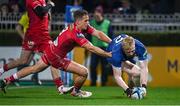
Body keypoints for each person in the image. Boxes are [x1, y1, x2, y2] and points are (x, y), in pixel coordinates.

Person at [0, 9, 112, 98]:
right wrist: (108, 54)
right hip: (56, 57)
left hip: (50, 50)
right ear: (78, 22)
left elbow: (98, 33)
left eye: (88, 20)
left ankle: (7, 80)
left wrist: (111, 42)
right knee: (84, 72)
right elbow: (91, 48)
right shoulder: (75, 33)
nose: (88, 23)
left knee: (34, 68)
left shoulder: (80, 27)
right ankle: (75, 91)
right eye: (86, 21)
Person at [0, 0, 71, 94]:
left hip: (42, 35)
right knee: (30, 60)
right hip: (35, 35)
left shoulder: (42, 1)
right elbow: (41, 11)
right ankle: (60, 87)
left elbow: (45, 16)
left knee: (25, 61)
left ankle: (7, 79)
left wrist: (48, 12)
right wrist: (50, 5)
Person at [89, 5, 113, 86]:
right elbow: (88, 36)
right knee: (93, 66)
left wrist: (111, 48)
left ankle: (103, 82)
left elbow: (111, 36)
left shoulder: (107, 23)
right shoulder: (91, 23)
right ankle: (93, 82)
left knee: (105, 67)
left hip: (105, 48)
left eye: (98, 12)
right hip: (94, 47)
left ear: (101, 14)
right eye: (95, 12)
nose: (96, 14)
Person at [15, 12, 41, 85]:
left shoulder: (40, 14)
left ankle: (15, 78)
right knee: (47, 57)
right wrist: (25, 38)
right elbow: (18, 27)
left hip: (37, 41)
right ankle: (35, 75)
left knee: (26, 63)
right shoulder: (27, 15)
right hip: (30, 41)